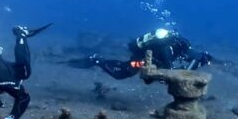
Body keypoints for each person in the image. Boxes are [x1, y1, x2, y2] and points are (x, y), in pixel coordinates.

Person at [69, 28, 212, 80]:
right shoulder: (168, 50)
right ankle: (97, 60)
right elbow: (168, 71)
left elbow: (193, 56)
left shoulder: (177, 48)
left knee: (127, 69)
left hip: (148, 57)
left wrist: (201, 59)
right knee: (122, 73)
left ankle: (97, 60)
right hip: (143, 59)